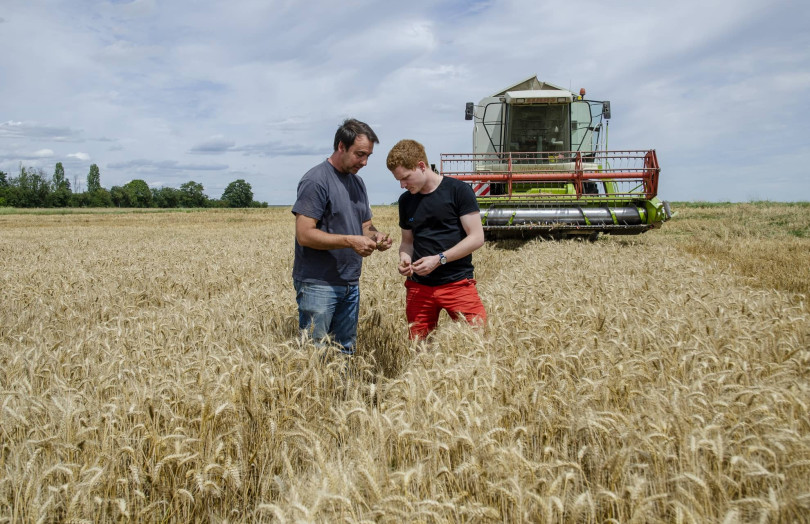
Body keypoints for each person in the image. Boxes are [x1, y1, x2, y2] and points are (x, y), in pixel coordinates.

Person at [292, 118, 392, 354]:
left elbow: (365, 225)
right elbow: (304, 235)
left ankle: (343, 393)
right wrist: (350, 240)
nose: (365, 162)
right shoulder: (316, 180)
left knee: (344, 350)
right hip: (319, 283)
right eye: (359, 154)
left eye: (368, 155)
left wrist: (376, 237)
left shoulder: (357, 183)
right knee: (315, 355)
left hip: (349, 282)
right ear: (341, 147)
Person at [386, 139, 486, 339]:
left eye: (406, 178)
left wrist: (439, 259)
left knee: (479, 343)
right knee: (420, 350)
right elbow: (407, 241)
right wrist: (405, 259)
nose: (402, 185)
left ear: (421, 166)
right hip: (418, 288)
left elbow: (476, 237)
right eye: (398, 180)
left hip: (457, 283)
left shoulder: (458, 191)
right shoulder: (406, 201)